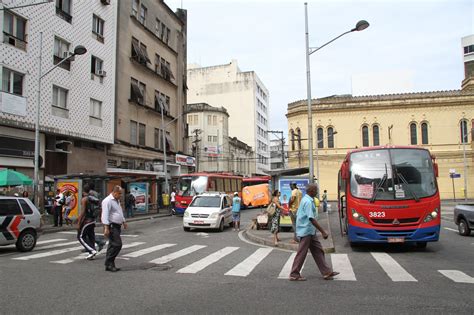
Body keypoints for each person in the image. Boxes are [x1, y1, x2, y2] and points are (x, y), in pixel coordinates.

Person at [289, 183, 339, 281]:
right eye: (316, 190)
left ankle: (326, 272)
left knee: (318, 250)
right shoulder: (307, 202)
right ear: (311, 191)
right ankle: (294, 274)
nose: (317, 192)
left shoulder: (308, 200)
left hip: (310, 230)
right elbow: (311, 218)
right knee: (302, 252)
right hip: (306, 230)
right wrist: (323, 231)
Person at [101, 185, 127, 272]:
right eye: (119, 193)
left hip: (117, 225)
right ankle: (108, 262)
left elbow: (119, 212)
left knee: (112, 245)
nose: (120, 195)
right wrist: (106, 228)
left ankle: (109, 265)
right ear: (114, 192)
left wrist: (123, 221)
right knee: (117, 244)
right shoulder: (107, 201)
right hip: (111, 226)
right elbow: (105, 215)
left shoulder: (116, 200)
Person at [77, 184, 103, 260]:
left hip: (86, 221)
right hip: (93, 220)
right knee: (91, 236)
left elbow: (83, 212)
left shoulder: (84, 199)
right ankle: (91, 253)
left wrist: (79, 222)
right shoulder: (92, 198)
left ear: (83, 191)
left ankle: (92, 251)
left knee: (80, 236)